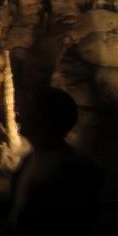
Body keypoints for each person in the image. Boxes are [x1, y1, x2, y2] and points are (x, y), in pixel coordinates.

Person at [6, 87, 104, 235]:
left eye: (27, 110)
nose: (18, 115)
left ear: (43, 119)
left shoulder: (75, 172)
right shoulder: (30, 160)